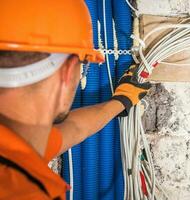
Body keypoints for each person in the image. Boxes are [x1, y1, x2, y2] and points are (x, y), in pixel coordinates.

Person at [0, 1, 150, 199]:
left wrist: (122, 100)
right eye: (83, 66)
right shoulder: (25, 192)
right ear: (68, 72)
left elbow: (74, 128)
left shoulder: (19, 145)